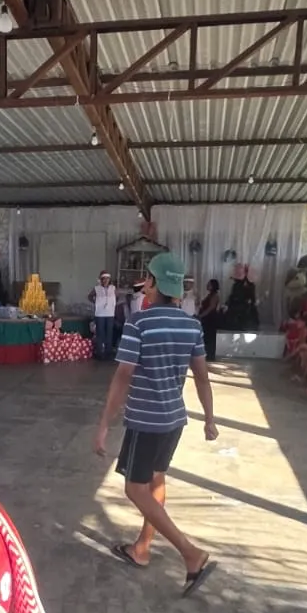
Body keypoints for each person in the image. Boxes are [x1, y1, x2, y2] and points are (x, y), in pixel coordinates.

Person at [94, 252, 218, 595]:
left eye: (147, 277)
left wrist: (104, 423)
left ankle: (190, 553)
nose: (143, 283)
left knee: (135, 489)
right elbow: (202, 377)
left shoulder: (139, 323)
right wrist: (209, 419)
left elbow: (123, 376)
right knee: (156, 479)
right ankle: (142, 548)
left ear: (153, 283)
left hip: (145, 420)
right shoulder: (192, 325)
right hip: (174, 420)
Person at [89, 270, 117, 360]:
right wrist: (96, 302)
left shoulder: (113, 288)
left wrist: (112, 304)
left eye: (107, 278)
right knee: (100, 333)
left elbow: (117, 297)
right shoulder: (96, 288)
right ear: (101, 279)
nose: (105, 280)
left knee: (109, 333)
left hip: (110, 314)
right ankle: (100, 353)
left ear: (109, 279)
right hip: (100, 314)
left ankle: (108, 353)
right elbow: (90, 296)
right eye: (103, 278)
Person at [198, 278, 223, 362]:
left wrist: (201, 315)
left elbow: (211, 308)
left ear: (213, 286)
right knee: (206, 337)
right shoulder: (209, 295)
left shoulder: (215, 296)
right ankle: (207, 354)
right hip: (207, 318)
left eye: (209, 284)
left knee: (210, 337)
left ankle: (210, 355)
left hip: (210, 319)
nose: (207, 285)